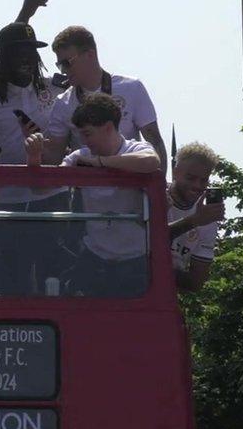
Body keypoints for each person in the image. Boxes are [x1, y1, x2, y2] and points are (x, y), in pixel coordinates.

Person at [0, 22, 67, 295]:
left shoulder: (57, 88)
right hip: (9, 198)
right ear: (2, 56)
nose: (27, 58)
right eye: (18, 51)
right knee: (14, 275)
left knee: (54, 271)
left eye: (31, 51)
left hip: (55, 194)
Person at [34, 92, 161, 297]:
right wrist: (34, 157)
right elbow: (43, 189)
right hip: (95, 259)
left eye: (87, 133)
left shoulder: (135, 148)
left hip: (136, 263)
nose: (83, 140)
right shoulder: (80, 157)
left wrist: (101, 164)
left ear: (108, 128)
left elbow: (152, 161)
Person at [46, 26, 169, 175]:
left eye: (67, 63)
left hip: (130, 189)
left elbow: (154, 140)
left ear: (90, 55)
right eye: (59, 65)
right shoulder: (62, 103)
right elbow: (54, 158)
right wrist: (34, 148)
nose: (63, 71)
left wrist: (159, 191)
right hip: (88, 192)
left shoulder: (132, 88)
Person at [167, 142, 225, 291]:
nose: (197, 186)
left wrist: (155, 271)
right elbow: (142, 243)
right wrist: (194, 221)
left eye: (204, 180)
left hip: (165, 297)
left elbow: (196, 282)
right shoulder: (154, 196)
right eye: (190, 178)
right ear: (175, 172)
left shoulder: (208, 220)